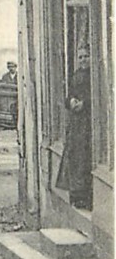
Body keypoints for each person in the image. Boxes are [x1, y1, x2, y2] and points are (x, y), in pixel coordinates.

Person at [56, 43, 93, 210]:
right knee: (75, 157)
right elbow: (68, 95)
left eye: (86, 56)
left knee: (85, 158)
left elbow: (98, 97)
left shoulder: (95, 76)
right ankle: (76, 195)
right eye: (80, 57)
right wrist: (71, 101)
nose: (83, 60)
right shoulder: (76, 75)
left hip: (89, 123)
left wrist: (84, 103)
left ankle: (86, 196)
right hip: (76, 124)